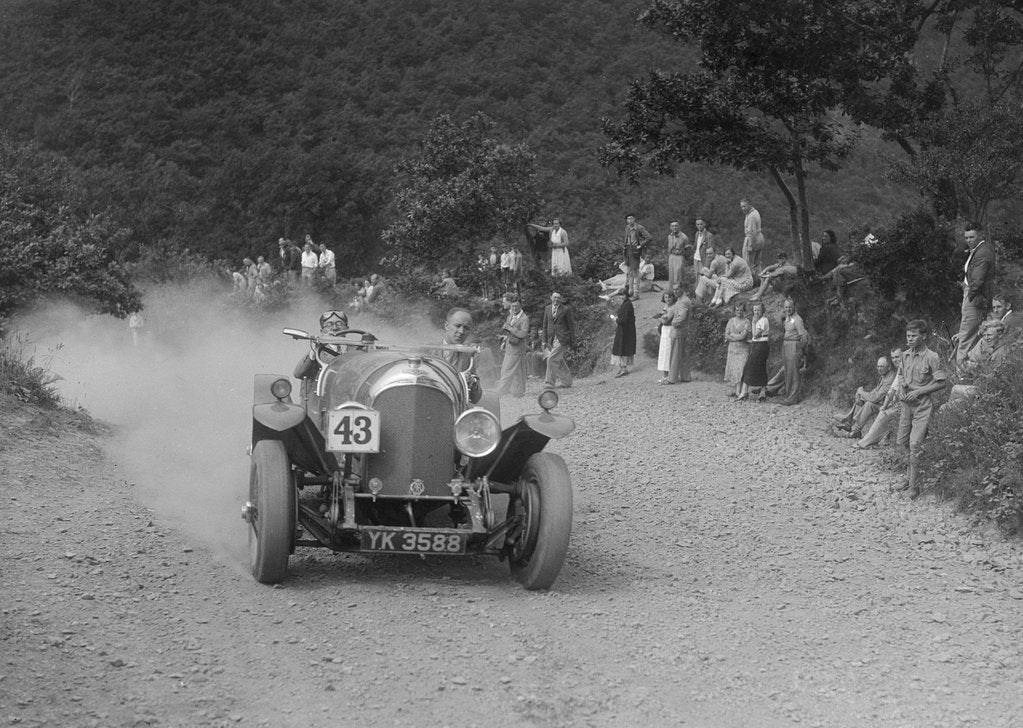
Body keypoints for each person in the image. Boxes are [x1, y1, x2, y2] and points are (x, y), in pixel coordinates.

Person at [895, 319, 949, 496]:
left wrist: (919, 392)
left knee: (915, 444)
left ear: (923, 336)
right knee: (902, 443)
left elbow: (941, 382)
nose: (910, 339)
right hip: (906, 405)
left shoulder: (932, 357)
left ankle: (914, 486)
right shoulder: (904, 355)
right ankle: (908, 477)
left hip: (922, 406)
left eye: (914, 335)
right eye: (908, 336)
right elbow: (901, 376)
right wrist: (903, 389)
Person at [955, 222, 996, 368]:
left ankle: (961, 370)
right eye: (966, 237)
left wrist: (969, 297)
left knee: (966, 335)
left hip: (975, 297)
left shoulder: (983, 252)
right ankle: (969, 369)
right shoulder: (978, 250)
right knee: (971, 334)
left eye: (972, 236)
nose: (969, 240)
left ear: (981, 235)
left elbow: (978, 281)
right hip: (972, 294)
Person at [852, 347, 904, 449]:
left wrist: (862, 392)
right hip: (895, 403)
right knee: (874, 406)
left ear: (904, 356)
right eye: (893, 357)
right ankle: (856, 429)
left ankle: (864, 442)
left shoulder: (904, 370)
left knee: (883, 413)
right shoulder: (899, 371)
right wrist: (884, 406)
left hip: (906, 403)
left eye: (897, 357)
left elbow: (879, 396)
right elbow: (892, 390)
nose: (895, 360)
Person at [833, 355, 896, 438]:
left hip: (889, 406)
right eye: (878, 366)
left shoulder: (890, 379)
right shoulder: (885, 375)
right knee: (863, 399)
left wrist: (861, 392)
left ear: (889, 367)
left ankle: (854, 428)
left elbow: (876, 398)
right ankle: (850, 422)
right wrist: (862, 395)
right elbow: (876, 391)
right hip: (883, 403)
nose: (879, 369)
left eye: (882, 366)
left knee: (869, 404)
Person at [293, 310, 351, 395]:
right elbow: (298, 373)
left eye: (339, 324)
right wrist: (315, 350)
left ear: (347, 329)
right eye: (329, 325)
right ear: (322, 331)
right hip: (320, 403)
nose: (334, 328)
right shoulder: (317, 352)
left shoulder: (357, 351)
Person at [766, 298, 810, 406]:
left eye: (790, 307)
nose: (788, 309)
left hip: (794, 345)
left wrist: (800, 349)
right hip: (786, 345)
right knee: (786, 370)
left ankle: (792, 397)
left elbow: (803, 336)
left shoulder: (798, 319)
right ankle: (773, 389)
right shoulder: (787, 318)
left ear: (794, 307)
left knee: (793, 373)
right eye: (786, 307)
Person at [497, 294, 529, 398]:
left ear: (521, 307)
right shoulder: (510, 316)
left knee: (507, 370)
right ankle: (518, 392)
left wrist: (510, 329)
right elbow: (509, 333)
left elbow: (523, 334)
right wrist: (504, 340)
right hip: (510, 346)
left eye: (516, 306)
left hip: (517, 348)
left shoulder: (524, 319)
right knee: (518, 371)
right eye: (513, 306)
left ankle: (500, 392)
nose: (514, 308)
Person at [736, 301, 770, 401]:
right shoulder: (759, 320)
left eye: (758, 310)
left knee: (749, 367)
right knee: (761, 368)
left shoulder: (763, 320)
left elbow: (755, 334)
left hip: (761, 346)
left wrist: (753, 322)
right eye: (754, 310)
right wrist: (751, 341)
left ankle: (744, 392)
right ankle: (762, 393)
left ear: (762, 310)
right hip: (758, 345)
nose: (756, 312)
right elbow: (755, 338)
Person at [542, 292, 575, 389]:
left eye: (558, 298)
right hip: (551, 339)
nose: (556, 299)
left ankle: (549, 383)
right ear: (551, 298)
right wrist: (544, 340)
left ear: (560, 299)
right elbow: (545, 325)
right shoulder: (547, 308)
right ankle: (567, 382)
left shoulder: (565, 309)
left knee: (551, 359)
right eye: (554, 297)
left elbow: (571, 325)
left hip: (562, 338)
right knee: (559, 360)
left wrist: (573, 340)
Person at [723, 301, 752, 397]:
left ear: (744, 311)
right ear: (734, 310)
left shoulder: (746, 322)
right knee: (734, 369)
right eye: (737, 310)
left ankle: (740, 391)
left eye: (741, 310)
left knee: (741, 369)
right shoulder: (731, 321)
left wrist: (732, 335)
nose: (739, 312)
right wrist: (735, 337)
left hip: (742, 349)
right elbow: (726, 335)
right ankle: (736, 391)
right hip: (732, 349)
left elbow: (743, 336)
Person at [623, 214, 652, 300]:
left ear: (634, 219)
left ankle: (636, 294)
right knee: (629, 272)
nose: (630, 220)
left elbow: (649, 237)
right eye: (628, 219)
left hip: (635, 251)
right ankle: (629, 293)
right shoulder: (627, 227)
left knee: (635, 272)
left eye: (631, 218)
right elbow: (626, 239)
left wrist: (641, 245)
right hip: (628, 251)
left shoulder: (639, 227)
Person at [610, 286, 636, 377]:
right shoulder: (626, 303)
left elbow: (624, 319)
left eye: (621, 295)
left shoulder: (627, 304)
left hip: (625, 330)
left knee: (622, 347)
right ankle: (622, 368)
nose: (620, 297)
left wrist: (616, 319)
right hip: (625, 329)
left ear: (625, 295)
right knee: (621, 347)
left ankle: (624, 369)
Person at [655, 290, 676, 382]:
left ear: (673, 298)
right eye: (666, 297)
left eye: (669, 297)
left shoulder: (672, 308)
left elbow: (665, 321)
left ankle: (668, 375)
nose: (667, 299)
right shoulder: (666, 307)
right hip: (664, 330)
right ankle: (665, 374)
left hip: (669, 329)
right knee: (664, 350)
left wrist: (657, 317)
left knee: (668, 350)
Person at [740, 198, 764, 272]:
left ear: (750, 205)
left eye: (744, 206)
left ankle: (750, 281)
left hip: (753, 239)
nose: (742, 208)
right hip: (759, 237)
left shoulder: (751, 216)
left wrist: (750, 245)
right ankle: (759, 280)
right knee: (757, 263)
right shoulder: (755, 212)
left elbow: (752, 231)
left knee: (747, 263)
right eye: (741, 207)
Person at [666, 220, 690, 292]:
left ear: (679, 227)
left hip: (679, 257)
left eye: (676, 226)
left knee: (678, 275)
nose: (675, 227)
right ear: (670, 227)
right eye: (673, 226)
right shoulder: (669, 236)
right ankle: (671, 293)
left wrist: (684, 257)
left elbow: (688, 249)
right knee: (671, 275)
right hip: (671, 257)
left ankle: (679, 292)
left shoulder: (684, 237)